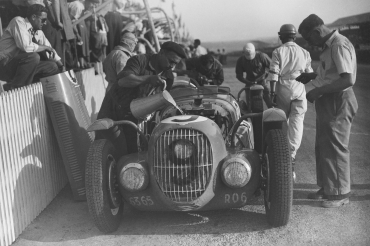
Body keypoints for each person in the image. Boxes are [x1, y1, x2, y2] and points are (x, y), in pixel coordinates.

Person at [296, 14, 358, 208]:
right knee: (324, 146)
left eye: (309, 38)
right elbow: (332, 74)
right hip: (329, 100)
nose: (309, 44)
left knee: (335, 148)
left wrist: (318, 91)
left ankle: (339, 194)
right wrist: (312, 76)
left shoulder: (338, 45)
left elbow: (347, 79)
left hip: (338, 100)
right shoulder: (328, 47)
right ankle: (328, 188)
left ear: (317, 31)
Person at [97, 41, 186, 154]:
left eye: (175, 64)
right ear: (161, 52)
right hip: (113, 110)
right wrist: (148, 79)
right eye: (171, 61)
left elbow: (161, 103)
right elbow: (123, 81)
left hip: (135, 116)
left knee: (130, 154)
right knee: (105, 149)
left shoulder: (168, 76)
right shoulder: (139, 61)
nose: (172, 66)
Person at [267, 24, 313, 182]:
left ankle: (280, 159)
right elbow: (309, 74)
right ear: (295, 36)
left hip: (283, 90)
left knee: (281, 123)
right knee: (297, 124)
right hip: (299, 90)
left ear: (281, 36)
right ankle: (291, 160)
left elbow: (274, 73)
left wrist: (272, 92)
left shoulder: (278, 51)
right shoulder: (305, 52)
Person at [0, 4, 63, 91]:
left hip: (18, 66)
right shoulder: (18, 21)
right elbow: (25, 46)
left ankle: (25, 88)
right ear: (33, 17)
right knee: (33, 57)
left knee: (52, 66)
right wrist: (44, 48)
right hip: (4, 65)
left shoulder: (38, 31)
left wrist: (61, 66)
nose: (45, 23)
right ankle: (16, 90)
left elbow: (50, 48)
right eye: (43, 20)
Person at [235, 42, 272, 107]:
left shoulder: (261, 56)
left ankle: (272, 112)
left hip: (263, 81)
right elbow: (239, 75)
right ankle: (252, 114)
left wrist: (267, 76)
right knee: (250, 104)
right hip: (249, 82)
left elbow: (272, 67)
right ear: (243, 53)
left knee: (269, 101)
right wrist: (248, 82)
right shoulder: (241, 60)